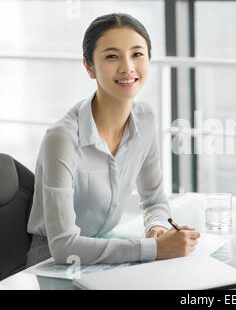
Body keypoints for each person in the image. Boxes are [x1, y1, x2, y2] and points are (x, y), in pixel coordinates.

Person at [26, 13, 200, 266]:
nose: (127, 67)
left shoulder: (146, 118)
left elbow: (154, 200)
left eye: (137, 54)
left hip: (107, 256)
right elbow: (64, 247)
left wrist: (157, 229)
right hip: (52, 265)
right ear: (89, 67)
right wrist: (153, 248)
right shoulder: (62, 139)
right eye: (111, 56)